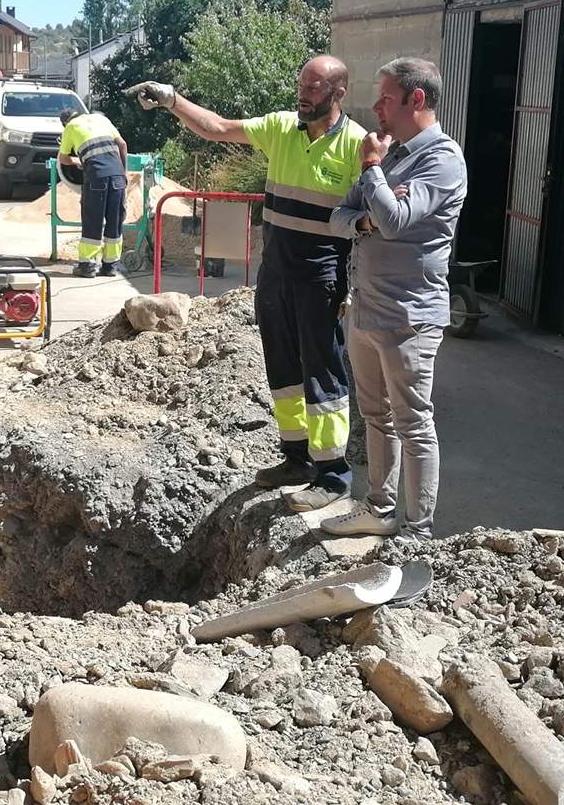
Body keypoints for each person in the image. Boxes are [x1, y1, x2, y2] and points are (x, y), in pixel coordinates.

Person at [125, 57, 365, 511]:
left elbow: (371, 214)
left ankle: (333, 476)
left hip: (321, 275)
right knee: (283, 369)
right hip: (275, 271)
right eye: (301, 85)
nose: (303, 95)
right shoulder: (281, 127)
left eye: (313, 89)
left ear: (337, 94)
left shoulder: (355, 145)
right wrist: (172, 99)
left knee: (324, 372)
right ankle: (296, 459)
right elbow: (216, 127)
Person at [321, 57, 467, 540]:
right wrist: (368, 214)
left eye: (386, 98)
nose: (377, 107)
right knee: (375, 416)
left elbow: (399, 221)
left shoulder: (441, 158)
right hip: (365, 309)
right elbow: (341, 217)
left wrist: (372, 172)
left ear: (416, 99)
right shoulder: (396, 157)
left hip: (408, 316)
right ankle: (378, 511)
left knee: (413, 422)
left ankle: (418, 531)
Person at [57, 107, 129, 278]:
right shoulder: (101, 119)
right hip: (117, 175)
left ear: (65, 122)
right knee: (115, 220)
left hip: (96, 177)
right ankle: (110, 265)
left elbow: (63, 158)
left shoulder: (71, 127)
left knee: (92, 219)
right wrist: (123, 173)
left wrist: (77, 163)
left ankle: (88, 266)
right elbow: (123, 145)